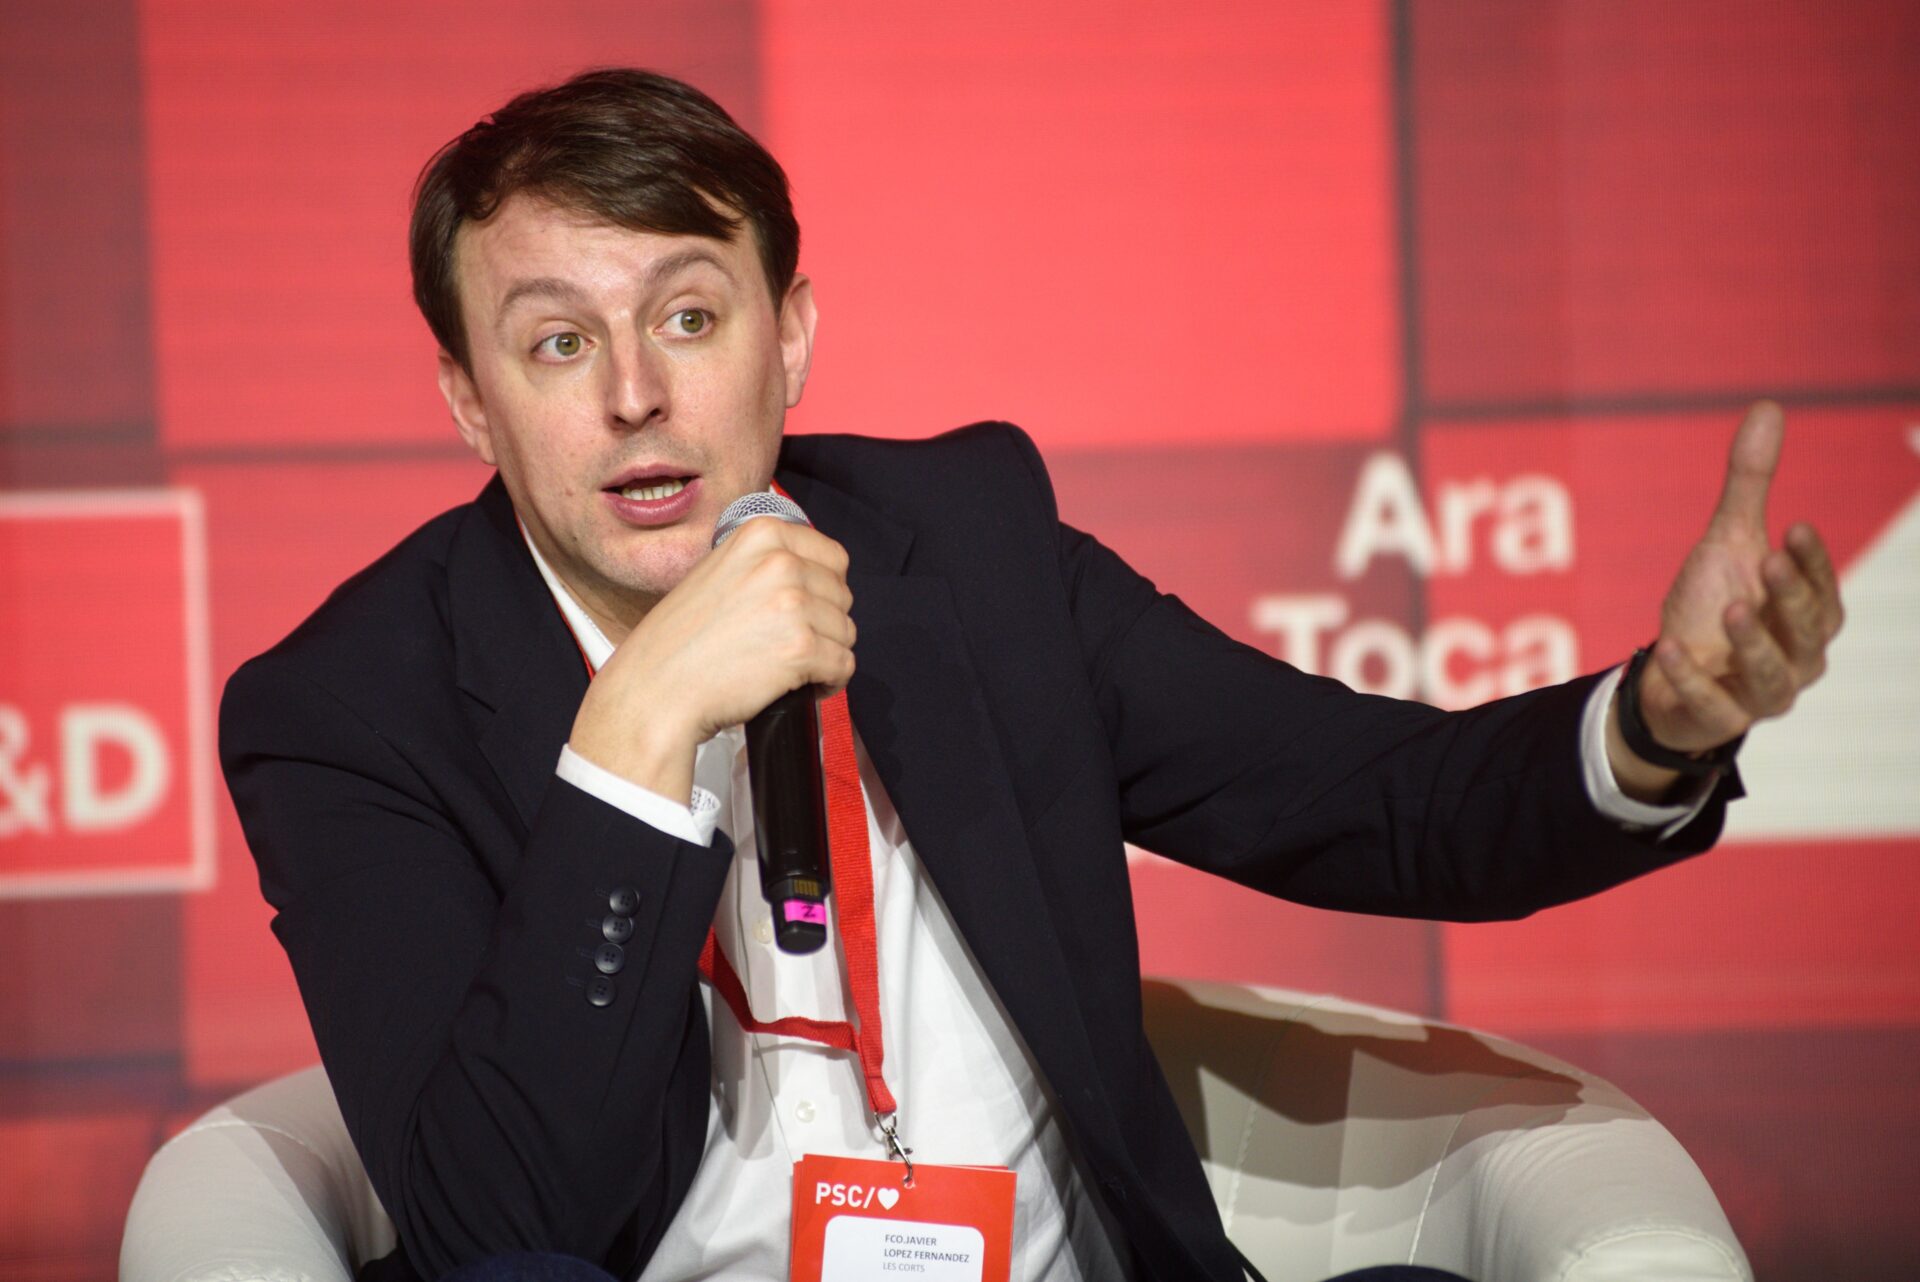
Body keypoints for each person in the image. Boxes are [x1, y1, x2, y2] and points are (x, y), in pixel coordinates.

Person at [219, 68, 1842, 1282]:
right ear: (470, 399)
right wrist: (637, 735)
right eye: (560, 342)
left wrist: (1654, 725)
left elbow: (1382, 802)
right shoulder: (345, 714)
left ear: (790, 339)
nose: (637, 394)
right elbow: (499, 1231)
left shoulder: (966, 553)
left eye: (690, 318)